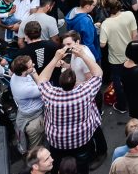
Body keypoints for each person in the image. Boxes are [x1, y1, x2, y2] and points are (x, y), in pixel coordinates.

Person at [36, 43, 104, 174]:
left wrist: (56, 58)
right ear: (74, 82)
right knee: (82, 164)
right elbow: (98, 73)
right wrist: (83, 55)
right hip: (81, 138)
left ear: (60, 83)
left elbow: (42, 80)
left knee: (56, 163)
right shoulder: (85, 92)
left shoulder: (51, 95)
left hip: (57, 140)